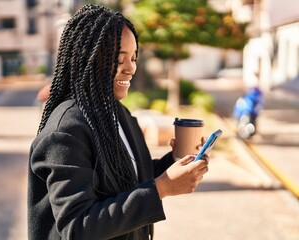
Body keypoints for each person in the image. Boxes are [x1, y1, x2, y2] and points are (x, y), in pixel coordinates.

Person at [28, 4, 209, 240]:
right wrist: (161, 188)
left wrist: (175, 162)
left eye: (133, 58)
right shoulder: (65, 132)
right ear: (87, 58)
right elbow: (77, 227)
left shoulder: (118, 114)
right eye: (119, 58)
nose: (130, 68)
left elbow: (128, 178)